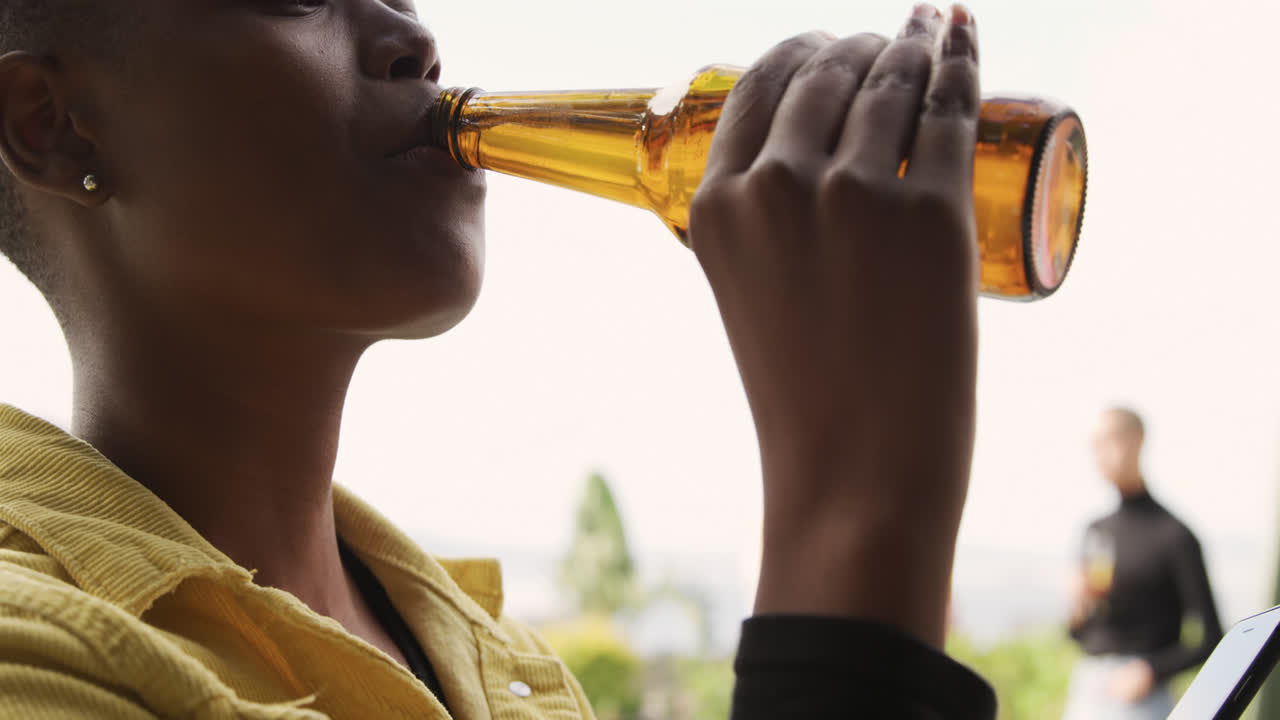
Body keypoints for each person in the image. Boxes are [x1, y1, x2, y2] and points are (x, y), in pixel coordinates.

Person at [0, 1, 998, 717]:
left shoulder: (506, 666)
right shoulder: (35, 656)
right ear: (45, 126)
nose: (414, 38)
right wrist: (859, 505)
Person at [1062, 407, 1223, 720]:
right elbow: (1080, 636)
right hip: (1087, 689)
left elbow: (1210, 638)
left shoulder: (1175, 535)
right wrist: (1077, 611)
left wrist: (1152, 670)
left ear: (1137, 441)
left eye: (1107, 442)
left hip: (1142, 700)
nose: (1099, 455)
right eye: (1094, 446)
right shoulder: (1096, 531)